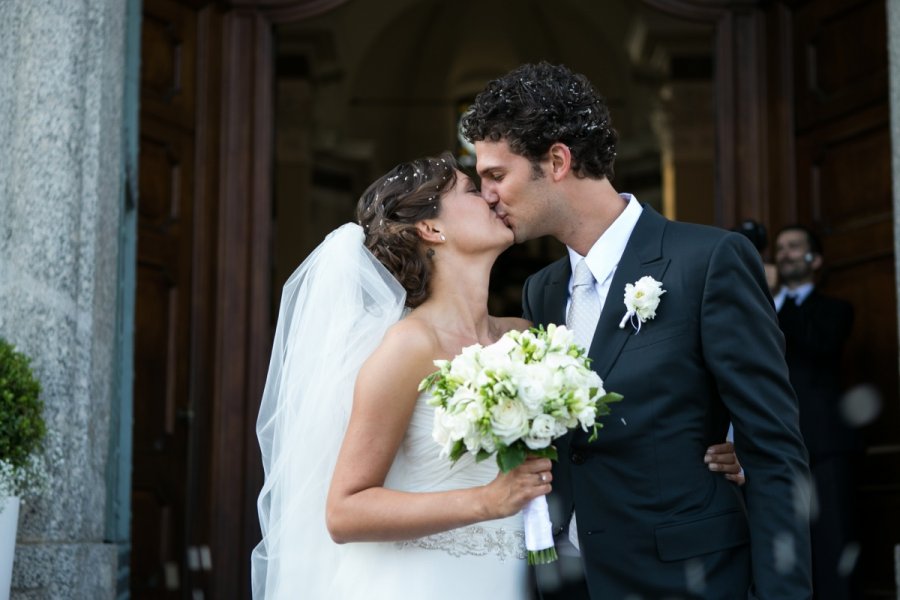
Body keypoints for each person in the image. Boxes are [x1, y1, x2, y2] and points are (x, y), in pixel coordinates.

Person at [251, 153, 744, 599]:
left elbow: (604, 430)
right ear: (432, 230)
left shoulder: (525, 336)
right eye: (471, 189)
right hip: (426, 583)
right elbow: (344, 511)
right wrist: (487, 500)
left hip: (516, 579)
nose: (492, 195)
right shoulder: (408, 347)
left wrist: (722, 446)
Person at [461, 62, 813, 598]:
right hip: (569, 581)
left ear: (557, 160)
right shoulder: (542, 290)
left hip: (687, 578)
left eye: (495, 175)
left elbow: (774, 452)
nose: (486, 195)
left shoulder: (708, 261)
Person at [773, 224, 858, 599]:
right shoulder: (764, 306)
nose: (785, 254)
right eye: (780, 248)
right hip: (773, 445)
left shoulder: (835, 310)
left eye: (794, 247)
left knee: (830, 544)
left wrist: (778, 299)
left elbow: (817, 344)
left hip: (823, 446)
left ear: (815, 259)